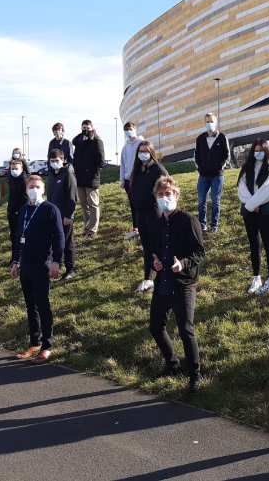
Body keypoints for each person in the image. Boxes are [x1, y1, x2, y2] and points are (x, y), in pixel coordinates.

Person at [142, 175, 205, 393]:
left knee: (186, 329)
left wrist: (184, 264)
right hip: (163, 281)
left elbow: (199, 253)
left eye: (168, 194)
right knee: (155, 326)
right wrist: (156, 262)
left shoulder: (189, 220)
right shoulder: (156, 222)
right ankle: (172, 364)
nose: (164, 198)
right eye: (160, 195)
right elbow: (153, 250)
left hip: (184, 282)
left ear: (176, 195)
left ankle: (195, 374)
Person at [10, 175, 65, 364]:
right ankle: (34, 342)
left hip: (43, 263)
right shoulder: (24, 209)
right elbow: (18, 237)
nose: (33, 189)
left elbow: (59, 237)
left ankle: (47, 346)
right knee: (30, 305)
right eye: (30, 187)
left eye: (37, 186)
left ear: (43, 189)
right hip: (25, 264)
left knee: (43, 305)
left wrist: (57, 261)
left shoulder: (50, 209)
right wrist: (15, 261)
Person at [237, 139, 269, 296]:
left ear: (267, 151)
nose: (258, 153)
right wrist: (251, 204)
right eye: (255, 150)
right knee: (253, 244)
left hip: (265, 211)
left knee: (268, 243)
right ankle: (257, 278)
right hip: (249, 211)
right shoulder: (246, 167)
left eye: (261, 150)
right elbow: (241, 187)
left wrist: (254, 202)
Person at [129, 140, 168, 293]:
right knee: (147, 247)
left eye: (146, 151)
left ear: (151, 153)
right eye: (140, 151)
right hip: (141, 214)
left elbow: (166, 188)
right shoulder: (137, 169)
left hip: (154, 213)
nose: (143, 154)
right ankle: (148, 278)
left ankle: (162, 275)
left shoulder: (158, 169)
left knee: (157, 245)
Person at [194, 113, 230, 233]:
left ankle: (214, 224)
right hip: (203, 175)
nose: (209, 123)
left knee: (215, 200)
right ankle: (202, 224)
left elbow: (227, 155)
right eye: (207, 121)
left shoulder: (222, 137)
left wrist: (221, 167)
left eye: (211, 121)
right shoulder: (200, 138)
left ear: (216, 122)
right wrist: (200, 168)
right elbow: (196, 155)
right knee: (201, 201)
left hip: (217, 176)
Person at [45, 148, 78, 280]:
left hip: (65, 216)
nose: (54, 163)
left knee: (67, 242)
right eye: (52, 161)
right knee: (55, 242)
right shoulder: (51, 175)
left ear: (63, 160)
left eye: (56, 160)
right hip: (53, 216)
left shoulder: (68, 174)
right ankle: (55, 267)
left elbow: (72, 197)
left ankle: (71, 269)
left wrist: (69, 215)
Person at [72, 119, 106, 238]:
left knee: (93, 204)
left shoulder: (97, 140)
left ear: (92, 127)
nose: (85, 130)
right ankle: (87, 226)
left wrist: (91, 168)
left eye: (87, 128)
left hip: (91, 178)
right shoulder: (80, 141)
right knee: (83, 204)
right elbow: (74, 141)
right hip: (80, 178)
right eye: (83, 128)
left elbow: (101, 161)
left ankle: (93, 229)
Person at [120, 122, 145, 239]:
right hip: (127, 181)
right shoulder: (125, 147)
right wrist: (122, 180)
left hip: (138, 180)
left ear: (135, 129)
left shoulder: (141, 143)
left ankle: (144, 228)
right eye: (126, 130)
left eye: (130, 129)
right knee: (133, 205)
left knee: (141, 204)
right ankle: (136, 229)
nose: (128, 132)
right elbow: (123, 165)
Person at [7, 157, 30, 251]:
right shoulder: (11, 179)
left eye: (16, 168)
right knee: (13, 235)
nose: (14, 171)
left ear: (22, 169)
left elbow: (25, 198)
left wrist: (20, 211)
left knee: (22, 235)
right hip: (12, 211)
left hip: (21, 211)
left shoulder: (24, 180)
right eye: (12, 169)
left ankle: (22, 255)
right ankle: (15, 256)